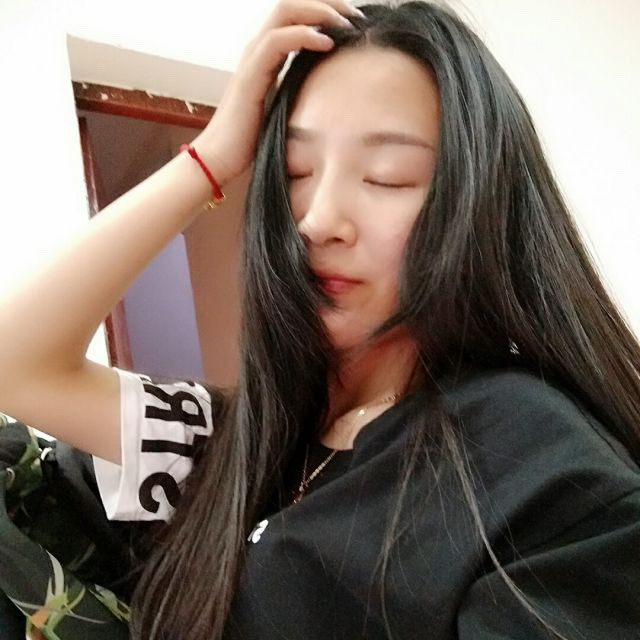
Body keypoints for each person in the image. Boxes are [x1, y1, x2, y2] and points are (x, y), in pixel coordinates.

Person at [0, 0, 639, 638]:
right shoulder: (239, 441)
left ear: (482, 204)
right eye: (295, 171)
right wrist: (212, 157)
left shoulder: (542, 474)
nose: (317, 219)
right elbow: (15, 365)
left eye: (388, 177)